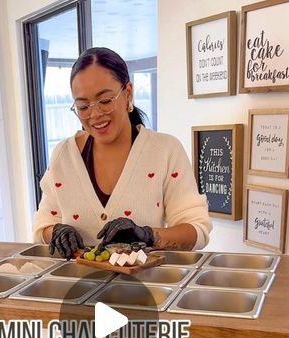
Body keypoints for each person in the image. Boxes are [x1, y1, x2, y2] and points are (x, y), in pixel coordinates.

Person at [32, 47, 212, 259]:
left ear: (128, 93)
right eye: (83, 106)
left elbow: (196, 229)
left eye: (106, 101)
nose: (95, 114)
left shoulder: (165, 151)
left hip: (144, 288)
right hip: (79, 287)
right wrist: (55, 232)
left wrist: (147, 235)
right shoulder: (64, 156)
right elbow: (42, 225)